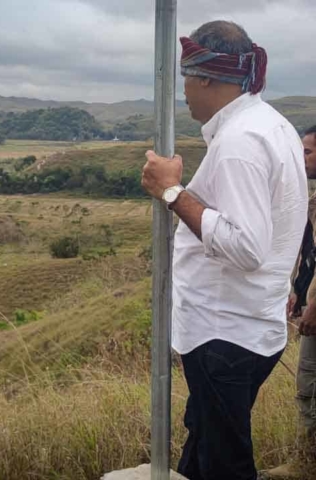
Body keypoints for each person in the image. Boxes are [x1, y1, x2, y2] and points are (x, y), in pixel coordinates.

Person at [141, 20, 308, 480]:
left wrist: (172, 192)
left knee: (225, 463)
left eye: (186, 80)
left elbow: (248, 246)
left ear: (208, 77)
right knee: (205, 439)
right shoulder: (272, 126)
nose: (185, 94)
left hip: (225, 332)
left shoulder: (239, 143)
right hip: (247, 325)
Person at [264, 125, 316, 479]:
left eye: (308, 152)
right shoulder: (310, 199)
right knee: (306, 386)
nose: (301, 158)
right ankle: (306, 463)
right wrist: (297, 289)